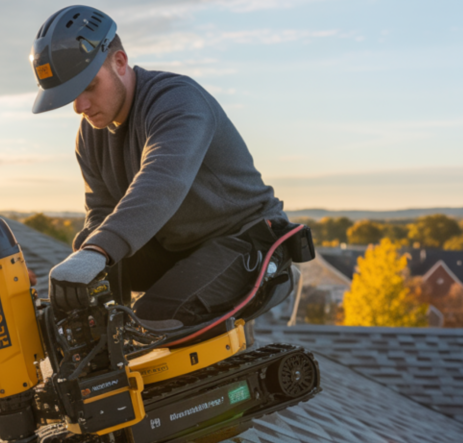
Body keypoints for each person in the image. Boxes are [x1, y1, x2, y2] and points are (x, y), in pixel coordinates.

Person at [31, 6, 289, 328]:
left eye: (89, 87)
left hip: (249, 243)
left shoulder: (178, 102)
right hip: (176, 251)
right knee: (82, 317)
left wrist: (98, 249)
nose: (79, 107)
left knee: (149, 323)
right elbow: (102, 211)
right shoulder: (90, 134)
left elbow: (162, 183)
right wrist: (83, 259)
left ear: (119, 62)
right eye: (71, 95)